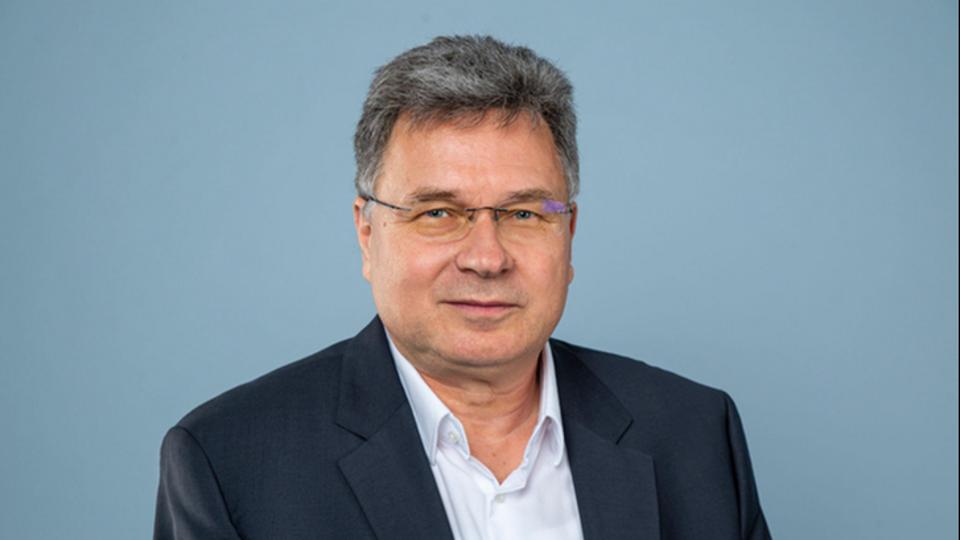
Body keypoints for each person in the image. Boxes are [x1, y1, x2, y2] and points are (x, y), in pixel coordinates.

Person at [154, 35, 772, 540]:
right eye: (438, 213)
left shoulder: (695, 433)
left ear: (569, 234)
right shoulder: (230, 462)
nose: (486, 258)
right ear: (367, 234)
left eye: (524, 213)